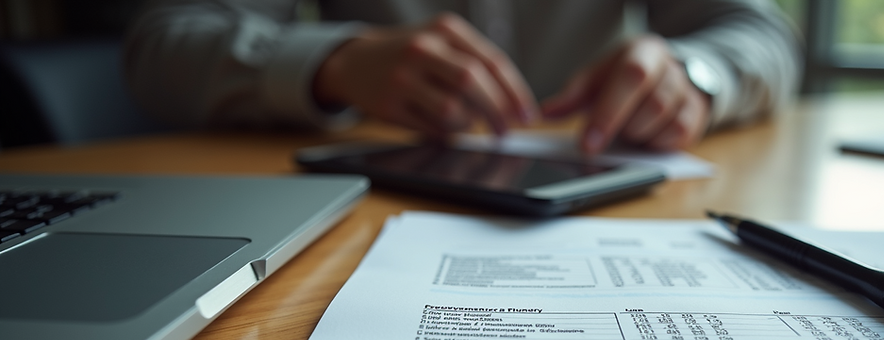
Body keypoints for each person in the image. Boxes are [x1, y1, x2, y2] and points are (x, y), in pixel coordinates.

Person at [124, 0, 800, 154]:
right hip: (366, 190)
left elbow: (764, 32)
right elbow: (160, 45)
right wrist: (336, 62)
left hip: (611, 184)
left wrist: (696, 75)